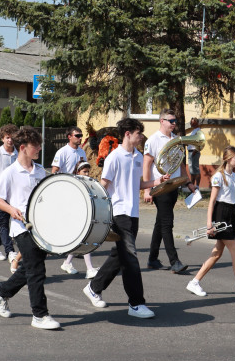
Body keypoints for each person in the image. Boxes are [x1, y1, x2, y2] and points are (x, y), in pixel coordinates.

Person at [82, 117, 168, 319]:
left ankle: (94, 287)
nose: (141, 138)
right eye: (139, 133)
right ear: (128, 134)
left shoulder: (137, 157)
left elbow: (137, 184)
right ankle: (136, 303)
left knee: (120, 256)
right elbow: (103, 184)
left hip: (133, 213)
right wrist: (93, 209)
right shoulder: (114, 157)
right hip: (118, 212)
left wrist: (157, 181)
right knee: (130, 257)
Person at [0, 126, 60, 329]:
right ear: (23, 148)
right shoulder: (10, 173)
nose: (38, 149)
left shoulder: (39, 171)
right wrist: (11, 210)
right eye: (35, 146)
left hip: (40, 227)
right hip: (21, 228)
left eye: (39, 146)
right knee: (37, 270)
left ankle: (1, 293)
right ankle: (40, 315)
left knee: (29, 267)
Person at [184, 146, 235, 304]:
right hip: (221, 214)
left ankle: (194, 282)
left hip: (231, 214)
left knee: (217, 253)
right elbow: (212, 201)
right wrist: (209, 223)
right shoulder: (218, 176)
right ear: (228, 159)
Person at [143, 109, 198, 274]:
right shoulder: (153, 140)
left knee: (160, 223)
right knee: (167, 223)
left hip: (174, 186)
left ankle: (152, 259)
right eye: (171, 121)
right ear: (162, 121)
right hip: (160, 188)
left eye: (175, 121)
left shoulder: (177, 140)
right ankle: (174, 261)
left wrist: (188, 182)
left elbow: (181, 164)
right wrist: (147, 190)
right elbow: (146, 165)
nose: (174, 123)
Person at [51, 126, 96, 277]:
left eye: (81, 135)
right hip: (66, 192)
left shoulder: (81, 151)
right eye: (77, 135)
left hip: (79, 192)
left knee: (80, 230)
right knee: (80, 230)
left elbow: (83, 169)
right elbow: (54, 172)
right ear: (69, 136)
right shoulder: (62, 152)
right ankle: (87, 267)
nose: (80, 137)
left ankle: (68, 262)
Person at [0, 124, 19, 267]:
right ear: (2, 139)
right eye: (7, 138)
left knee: (2, 223)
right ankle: (10, 251)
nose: (10, 141)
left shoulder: (18, 153)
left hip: (14, 194)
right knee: (4, 221)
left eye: (12, 138)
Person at [187, 117, 202, 187]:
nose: (191, 123)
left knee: (196, 170)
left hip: (194, 152)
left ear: (197, 123)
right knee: (192, 171)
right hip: (190, 151)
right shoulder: (193, 131)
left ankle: (197, 186)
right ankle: (192, 185)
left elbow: (200, 142)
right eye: (191, 122)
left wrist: (195, 151)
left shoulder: (198, 131)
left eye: (193, 122)